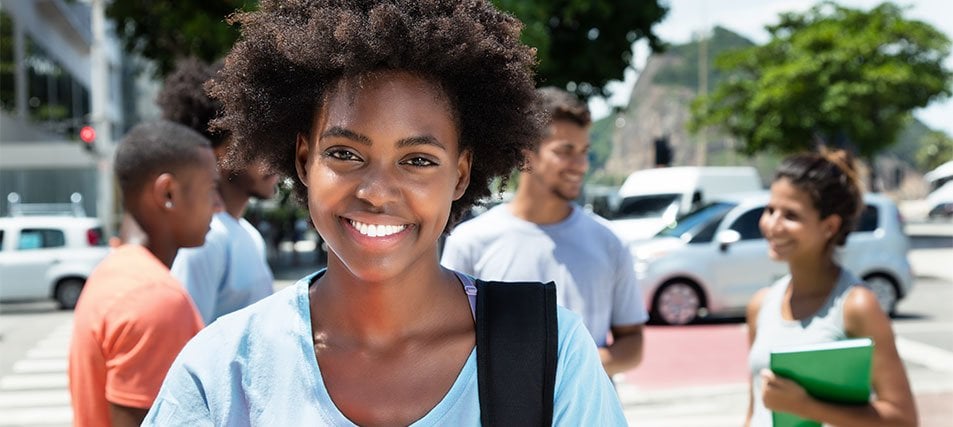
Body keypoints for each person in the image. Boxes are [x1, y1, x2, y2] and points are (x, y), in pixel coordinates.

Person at [143, 0, 626, 425]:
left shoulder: (552, 354)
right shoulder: (223, 370)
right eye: (345, 154)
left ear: (460, 175)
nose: (377, 192)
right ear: (303, 159)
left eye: (418, 161)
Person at [441, 86, 648, 376]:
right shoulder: (470, 242)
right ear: (528, 155)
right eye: (565, 151)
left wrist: (569, 369)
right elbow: (445, 340)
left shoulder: (610, 242)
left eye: (584, 152)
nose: (580, 165)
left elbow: (632, 343)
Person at [745, 149, 917, 426]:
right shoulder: (760, 305)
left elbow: (904, 420)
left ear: (829, 226)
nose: (772, 225)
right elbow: (755, 412)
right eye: (770, 210)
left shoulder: (856, 306)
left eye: (790, 215)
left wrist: (805, 407)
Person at [69, 120, 221, 427]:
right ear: (168, 193)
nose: (217, 206)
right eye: (211, 189)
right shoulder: (154, 298)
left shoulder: (116, 271)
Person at [160, 58, 280, 325]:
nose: (274, 159)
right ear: (219, 155)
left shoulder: (247, 233)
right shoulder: (206, 241)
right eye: (259, 146)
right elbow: (185, 344)